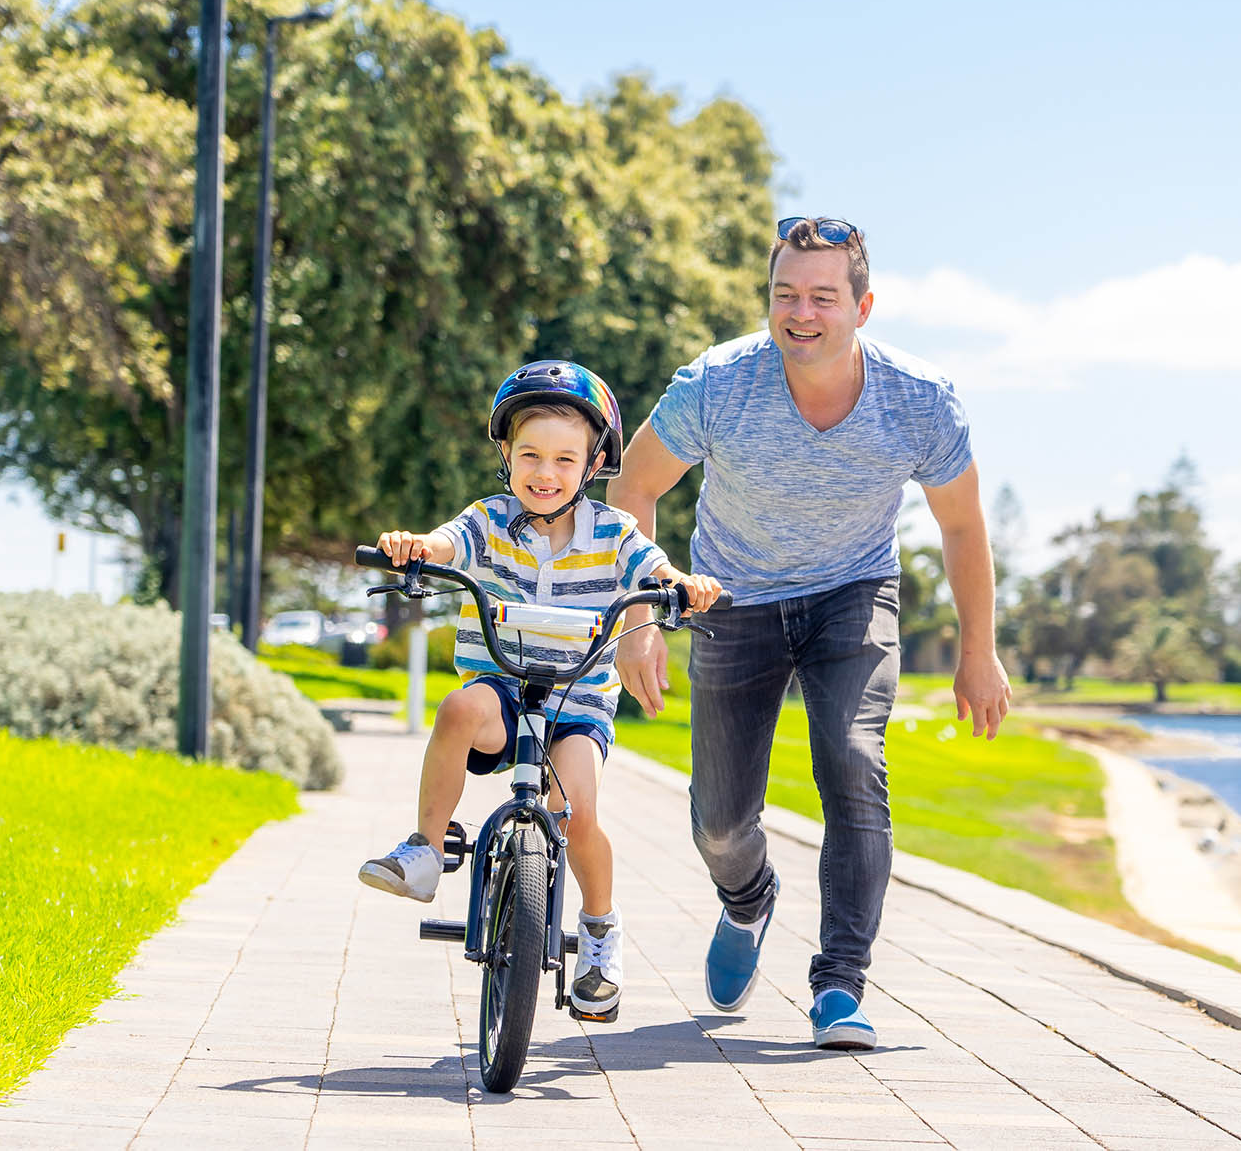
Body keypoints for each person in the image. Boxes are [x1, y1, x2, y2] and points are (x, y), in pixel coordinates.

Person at [608, 216, 1010, 1050]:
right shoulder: (716, 383)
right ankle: (748, 899)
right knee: (720, 820)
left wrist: (979, 651)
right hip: (730, 599)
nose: (801, 313)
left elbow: (964, 528)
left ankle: (840, 984)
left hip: (851, 594)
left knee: (854, 761)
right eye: (785, 294)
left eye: (823, 296)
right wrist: (640, 621)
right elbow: (634, 489)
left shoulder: (918, 399)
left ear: (863, 305)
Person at [357, 360, 723, 1022]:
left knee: (575, 809)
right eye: (530, 454)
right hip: (502, 691)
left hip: (576, 707)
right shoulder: (488, 520)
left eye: (564, 458)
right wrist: (417, 547)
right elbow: (447, 543)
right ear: (506, 453)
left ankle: (602, 934)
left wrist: (681, 582)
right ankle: (424, 849)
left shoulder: (612, 533)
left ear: (592, 464)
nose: (545, 472)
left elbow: (653, 564)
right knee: (459, 707)